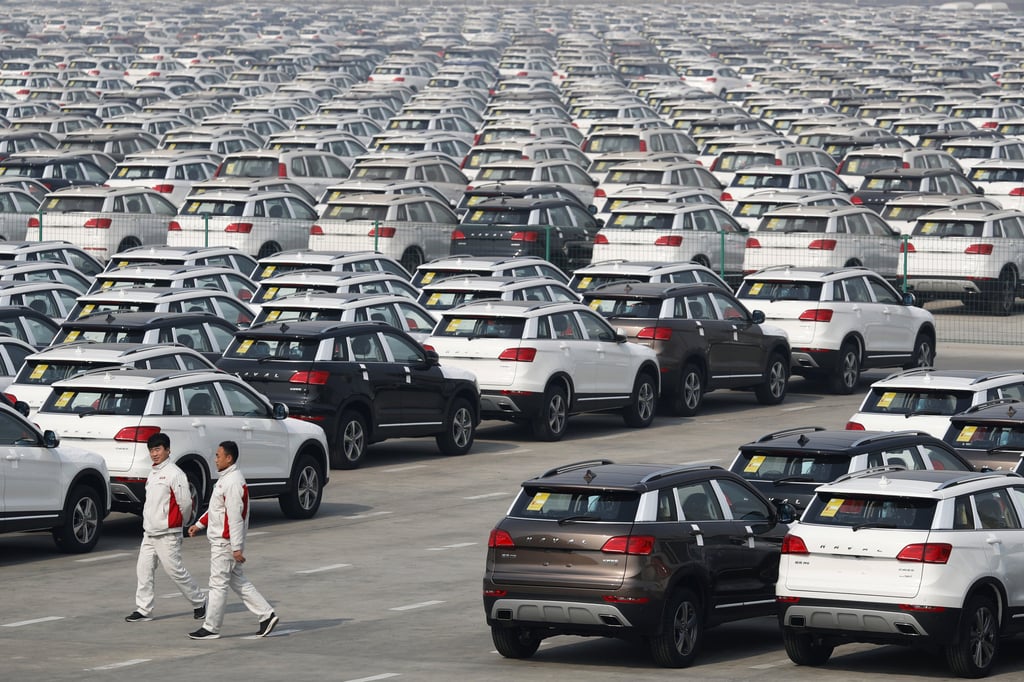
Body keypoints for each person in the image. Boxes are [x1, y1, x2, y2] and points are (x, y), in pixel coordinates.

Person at [187, 440, 278, 640]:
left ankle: (211, 627)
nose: (215, 459)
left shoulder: (233, 482)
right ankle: (266, 614)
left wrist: (236, 547)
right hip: (225, 541)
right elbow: (216, 509)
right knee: (238, 581)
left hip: (224, 542)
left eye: (218, 455)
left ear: (229, 458)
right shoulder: (226, 479)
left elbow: (235, 517)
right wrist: (200, 524)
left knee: (217, 584)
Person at [125, 432, 206, 623]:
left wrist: (181, 523)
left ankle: (199, 601)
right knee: (143, 570)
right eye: (152, 450)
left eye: (158, 449)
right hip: (150, 532)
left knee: (175, 571)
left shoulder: (175, 473)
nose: (154, 454)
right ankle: (144, 609)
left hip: (168, 533)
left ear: (167, 450)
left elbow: (185, 503)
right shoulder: (153, 473)